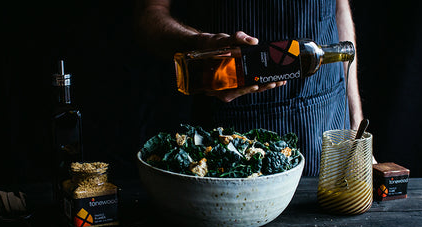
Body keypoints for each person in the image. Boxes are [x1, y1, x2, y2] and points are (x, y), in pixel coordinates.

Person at [136, 0, 371, 176]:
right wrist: (199, 46)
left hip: (326, 123)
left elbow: (340, 8)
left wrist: (356, 127)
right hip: (231, 135)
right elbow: (150, 13)